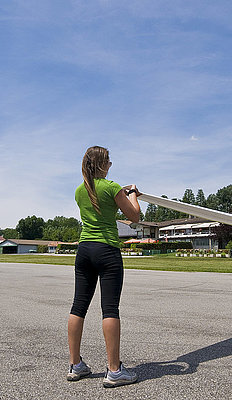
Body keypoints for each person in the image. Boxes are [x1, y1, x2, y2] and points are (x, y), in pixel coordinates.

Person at [67, 146, 141, 388]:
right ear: (102, 164)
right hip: (107, 250)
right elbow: (134, 217)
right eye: (108, 160)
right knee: (110, 308)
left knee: (78, 306)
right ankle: (114, 369)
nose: (111, 163)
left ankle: (75, 365)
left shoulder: (79, 190)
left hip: (84, 250)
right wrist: (132, 194)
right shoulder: (111, 187)